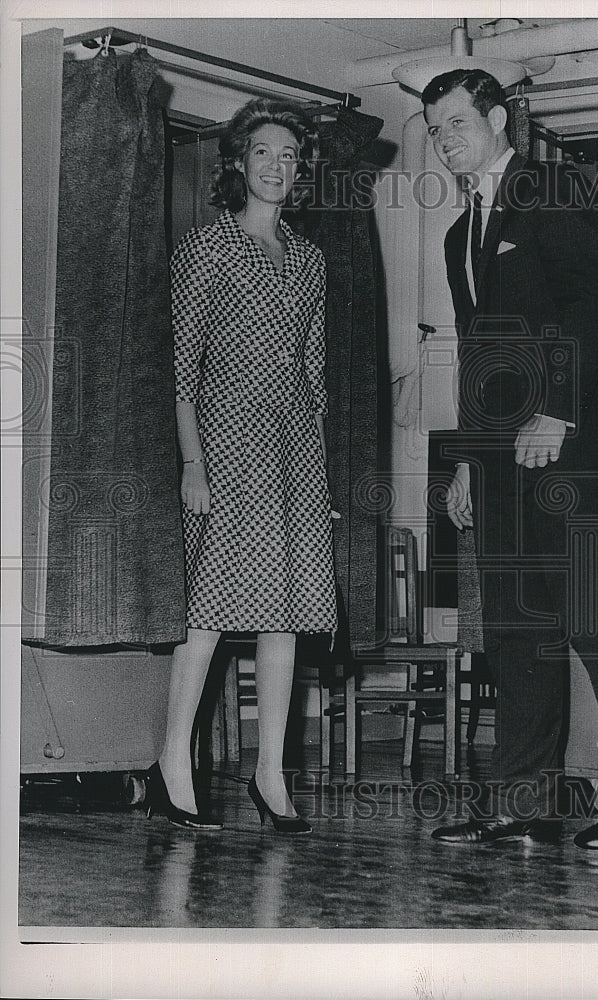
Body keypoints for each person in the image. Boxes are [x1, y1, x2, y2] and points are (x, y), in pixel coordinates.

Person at [422, 69, 598, 852]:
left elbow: (592, 309)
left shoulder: (555, 190)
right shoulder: (458, 233)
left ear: (499, 119)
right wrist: (471, 464)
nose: (445, 141)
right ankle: (525, 803)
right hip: (501, 459)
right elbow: (477, 352)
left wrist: (556, 409)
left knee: (593, 617)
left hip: (573, 447)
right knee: (514, 624)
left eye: (456, 124)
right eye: (435, 131)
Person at [146, 99, 336, 834]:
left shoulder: (311, 258)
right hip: (223, 444)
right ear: (238, 162)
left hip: (291, 450)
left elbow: (313, 375)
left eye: (289, 156)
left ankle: (269, 775)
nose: (277, 167)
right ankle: (172, 763)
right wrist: (192, 462)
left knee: (283, 615)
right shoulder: (207, 247)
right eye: (264, 152)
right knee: (209, 615)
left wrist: (315, 478)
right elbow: (178, 367)